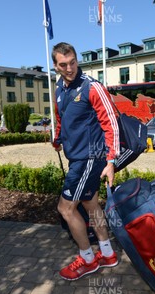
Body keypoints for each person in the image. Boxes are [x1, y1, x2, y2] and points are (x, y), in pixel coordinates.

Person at [51, 42, 120, 280]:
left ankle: (88, 259)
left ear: (77, 59)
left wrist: (111, 159)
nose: (69, 68)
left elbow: (111, 122)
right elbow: (61, 118)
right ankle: (108, 253)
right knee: (90, 205)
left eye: (72, 62)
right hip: (77, 157)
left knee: (66, 208)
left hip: (90, 158)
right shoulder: (59, 87)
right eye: (63, 64)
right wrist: (58, 138)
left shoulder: (92, 86)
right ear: (55, 66)